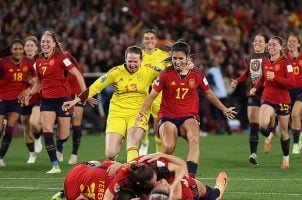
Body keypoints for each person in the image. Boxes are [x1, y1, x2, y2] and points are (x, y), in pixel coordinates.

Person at [136, 40, 236, 178]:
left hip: (189, 116)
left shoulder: (197, 74)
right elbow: (152, 95)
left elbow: (209, 93)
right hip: (167, 116)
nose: (177, 61)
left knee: (194, 139)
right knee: (169, 147)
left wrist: (224, 109)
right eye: (174, 58)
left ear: (187, 58)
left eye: (180, 58)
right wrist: (142, 113)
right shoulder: (165, 74)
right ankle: (160, 175)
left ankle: (191, 177)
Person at [63, 46, 161, 162]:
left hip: (138, 113)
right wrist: (74, 101)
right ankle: (113, 172)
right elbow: (95, 87)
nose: (132, 64)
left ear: (141, 60)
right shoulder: (116, 72)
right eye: (130, 61)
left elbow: (168, 74)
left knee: (132, 143)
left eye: (135, 61)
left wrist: (187, 66)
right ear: (125, 59)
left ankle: (131, 173)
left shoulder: (150, 71)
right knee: (110, 153)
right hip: (117, 113)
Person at [26, 30, 86, 173]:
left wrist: (84, 94)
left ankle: (62, 143)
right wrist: (30, 93)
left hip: (63, 100)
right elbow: (39, 82)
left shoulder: (62, 58)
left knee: (63, 135)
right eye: (43, 42)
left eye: (48, 41)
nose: (45, 44)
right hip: (46, 100)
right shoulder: (38, 61)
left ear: (54, 43)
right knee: (47, 130)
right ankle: (54, 165)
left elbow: (76, 73)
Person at [250, 36, 295, 169]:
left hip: (283, 100)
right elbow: (263, 77)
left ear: (281, 47)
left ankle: (286, 159)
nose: (271, 47)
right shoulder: (265, 61)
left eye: (274, 45)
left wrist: (276, 77)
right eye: (269, 45)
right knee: (262, 124)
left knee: (284, 133)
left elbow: (292, 83)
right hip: (268, 98)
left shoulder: (286, 63)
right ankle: (271, 131)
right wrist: (255, 87)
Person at [231, 33, 275, 165]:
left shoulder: (270, 57)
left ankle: (270, 135)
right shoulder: (249, 58)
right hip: (253, 94)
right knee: (253, 125)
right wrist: (237, 81)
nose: (257, 43)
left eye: (260, 41)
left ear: (266, 44)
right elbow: (247, 73)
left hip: (268, 94)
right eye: (255, 41)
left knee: (265, 125)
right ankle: (254, 154)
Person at [0, 39, 35, 166]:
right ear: (11, 50)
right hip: (2, 99)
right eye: (15, 49)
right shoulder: (3, 63)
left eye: (20, 49)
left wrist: (28, 90)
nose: (18, 51)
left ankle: (0, 158)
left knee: (10, 128)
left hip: (16, 101)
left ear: (23, 50)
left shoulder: (29, 63)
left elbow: (38, 80)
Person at [139, 29, 169, 155]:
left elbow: (170, 74)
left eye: (152, 38)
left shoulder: (164, 56)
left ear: (156, 41)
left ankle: (158, 156)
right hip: (142, 93)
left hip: (158, 95)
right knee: (141, 122)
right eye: (147, 38)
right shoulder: (138, 55)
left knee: (158, 127)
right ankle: (145, 141)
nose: (149, 40)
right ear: (143, 41)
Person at [51, 160, 136, 200]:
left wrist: (120, 164)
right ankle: (63, 192)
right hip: (71, 192)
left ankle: (62, 192)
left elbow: (106, 163)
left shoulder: (113, 173)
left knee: (97, 163)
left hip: (76, 173)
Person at [56, 51, 86, 165]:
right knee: (63, 123)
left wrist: (84, 93)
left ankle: (74, 154)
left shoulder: (64, 56)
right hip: (65, 92)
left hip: (76, 92)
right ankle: (59, 150)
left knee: (76, 123)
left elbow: (75, 73)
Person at [19, 35, 43, 164]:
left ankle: (38, 138)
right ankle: (32, 154)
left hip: (37, 97)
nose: (29, 48)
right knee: (26, 127)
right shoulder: (19, 62)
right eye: (27, 45)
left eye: (31, 46)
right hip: (24, 98)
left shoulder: (40, 61)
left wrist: (34, 83)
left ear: (36, 48)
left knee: (34, 122)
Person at [286, 34, 302, 154]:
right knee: (292, 118)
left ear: (298, 44)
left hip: (300, 90)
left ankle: (296, 144)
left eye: (294, 41)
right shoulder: (283, 59)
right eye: (289, 41)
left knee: (295, 115)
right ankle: (298, 136)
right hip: (287, 91)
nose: (291, 43)